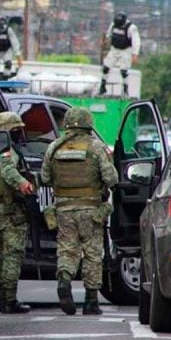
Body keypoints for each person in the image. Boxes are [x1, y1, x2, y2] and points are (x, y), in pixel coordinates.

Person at [40, 107, 118, 315]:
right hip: (91, 209)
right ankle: (91, 302)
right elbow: (112, 179)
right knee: (92, 253)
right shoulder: (96, 147)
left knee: (67, 250)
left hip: (64, 208)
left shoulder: (54, 147)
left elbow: (45, 178)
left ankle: (64, 279)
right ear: (88, 124)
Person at [0, 111, 34, 313]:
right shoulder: (6, 150)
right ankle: (10, 300)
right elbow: (8, 171)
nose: (19, 133)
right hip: (10, 209)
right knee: (13, 254)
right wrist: (24, 184)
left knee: (0, 256)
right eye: (16, 130)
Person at [99, 12, 141, 96]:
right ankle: (102, 86)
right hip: (114, 49)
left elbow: (136, 41)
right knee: (106, 67)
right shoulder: (114, 24)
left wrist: (135, 54)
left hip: (126, 50)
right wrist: (105, 40)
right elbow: (109, 34)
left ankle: (125, 89)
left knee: (123, 71)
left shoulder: (131, 28)